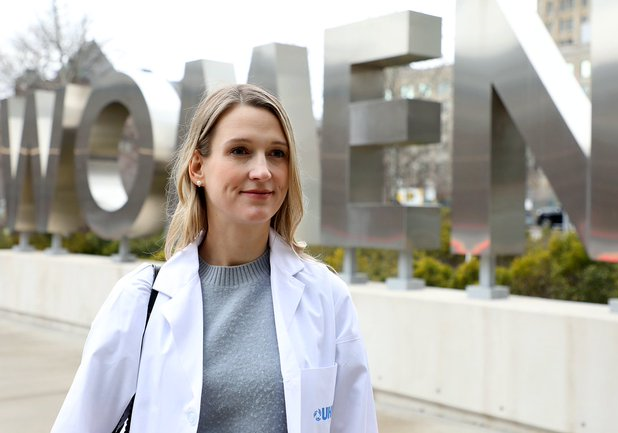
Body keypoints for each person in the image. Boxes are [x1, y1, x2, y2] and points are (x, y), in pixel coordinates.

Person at [51, 83, 379, 433]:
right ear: (198, 168)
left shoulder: (325, 296)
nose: (262, 171)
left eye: (277, 154)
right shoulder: (139, 302)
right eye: (240, 151)